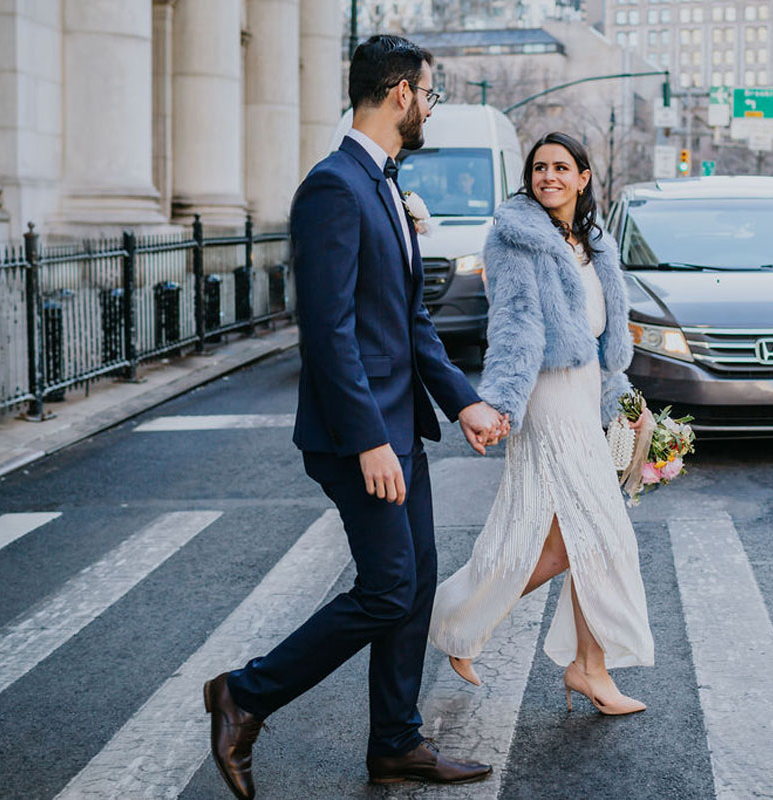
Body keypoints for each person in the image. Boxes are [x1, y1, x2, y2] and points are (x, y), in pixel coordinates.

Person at [202, 35, 508, 799]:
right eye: (430, 94)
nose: (430, 108)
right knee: (388, 587)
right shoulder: (335, 187)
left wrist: (462, 399)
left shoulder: (383, 184)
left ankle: (396, 744)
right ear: (401, 93)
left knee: (417, 577)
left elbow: (408, 322)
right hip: (361, 435)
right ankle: (245, 694)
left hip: (400, 424)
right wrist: (370, 438)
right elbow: (329, 330)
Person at [428, 131, 656, 715]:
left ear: (583, 177)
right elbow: (514, 327)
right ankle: (464, 625)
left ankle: (577, 662)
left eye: (561, 167)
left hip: (585, 393)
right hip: (547, 396)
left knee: (566, 543)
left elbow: (606, 342)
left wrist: (623, 399)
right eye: (539, 168)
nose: (548, 177)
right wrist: (500, 403)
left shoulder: (595, 246)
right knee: (601, 534)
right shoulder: (515, 239)